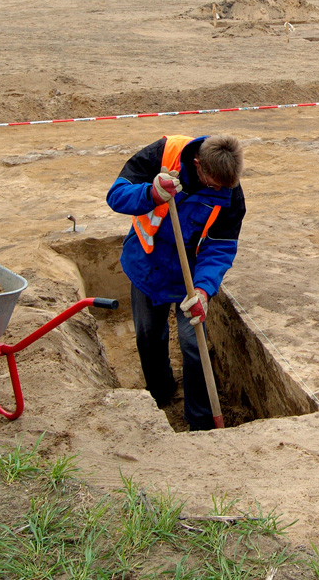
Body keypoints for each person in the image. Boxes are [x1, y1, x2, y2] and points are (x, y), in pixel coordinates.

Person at [106, 133, 246, 431]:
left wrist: (203, 291)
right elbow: (116, 196)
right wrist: (151, 194)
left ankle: (200, 419)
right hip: (148, 263)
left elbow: (220, 246)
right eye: (213, 184)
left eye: (225, 186)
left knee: (193, 343)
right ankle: (159, 393)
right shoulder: (163, 152)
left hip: (190, 274)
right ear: (198, 165)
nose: (219, 190)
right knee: (148, 335)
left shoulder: (231, 191)